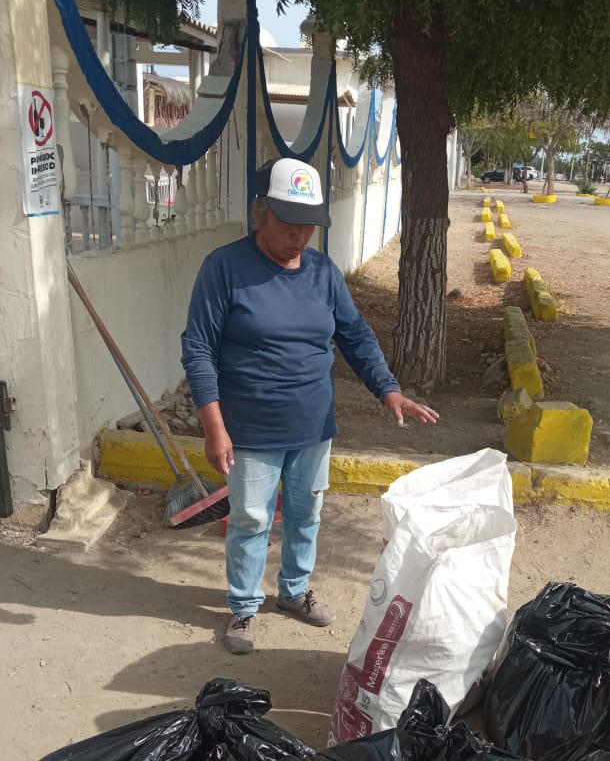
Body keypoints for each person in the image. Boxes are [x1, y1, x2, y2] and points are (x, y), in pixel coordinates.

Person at [181, 157, 438, 654]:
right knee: (251, 520)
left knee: (305, 515)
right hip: (251, 427)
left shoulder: (323, 273)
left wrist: (388, 389)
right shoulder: (224, 269)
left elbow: (355, 336)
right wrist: (214, 426)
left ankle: (294, 592)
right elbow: (198, 349)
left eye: (309, 225)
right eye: (289, 223)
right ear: (260, 213)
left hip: (313, 425)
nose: (299, 237)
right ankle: (243, 607)